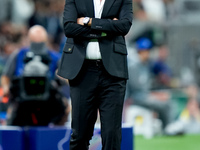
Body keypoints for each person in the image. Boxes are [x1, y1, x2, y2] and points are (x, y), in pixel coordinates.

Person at [57, 0, 133, 149]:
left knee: (111, 134)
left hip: (113, 73)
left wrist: (87, 21)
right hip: (82, 72)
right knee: (80, 133)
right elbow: (69, 28)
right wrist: (107, 28)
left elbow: (124, 26)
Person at [1, 25, 69, 126]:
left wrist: (62, 76)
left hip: (49, 100)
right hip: (22, 98)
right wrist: (6, 88)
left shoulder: (55, 57)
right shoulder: (19, 54)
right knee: (11, 112)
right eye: (34, 42)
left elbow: (67, 79)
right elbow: (6, 76)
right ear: (28, 40)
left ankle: (58, 138)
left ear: (46, 41)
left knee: (66, 108)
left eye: (40, 43)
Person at [126, 37, 172, 129]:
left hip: (143, 96)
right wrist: (155, 95)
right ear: (140, 51)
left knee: (167, 101)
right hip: (135, 98)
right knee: (165, 105)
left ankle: (164, 128)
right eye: (145, 51)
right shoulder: (133, 66)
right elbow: (137, 88)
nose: (147, 53)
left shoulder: (145, 64)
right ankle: (168, 128)